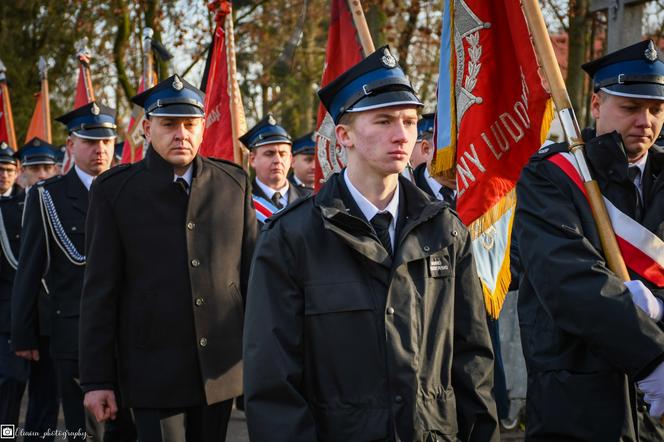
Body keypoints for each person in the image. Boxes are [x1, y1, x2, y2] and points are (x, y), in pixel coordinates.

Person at [243, 46, 499, 441]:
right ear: (343, 135)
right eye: (383, 121)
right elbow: (274, 380)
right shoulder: (293, 238)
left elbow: (472, 362)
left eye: (410, 121)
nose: (401, 135)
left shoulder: (445, 231)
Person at [79, 74, 257, 442]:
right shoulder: (115, 191)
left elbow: (252, 280)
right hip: (151, 370)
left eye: (190, 124)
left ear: (202, 128)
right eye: (168, 124)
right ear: (147, 128)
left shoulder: (233, 183)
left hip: (220, 371)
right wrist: (97, 379)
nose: (181, 134)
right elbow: (100, 291)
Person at [515, 39, 664, 440]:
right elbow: (568, 279)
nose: (645, 121)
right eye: (630, 108)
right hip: (578, 399)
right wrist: (653, 359)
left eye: (656, 109)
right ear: (597, 105)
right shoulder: (550, 177)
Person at [11, 102, 133, 441]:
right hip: (73, 331)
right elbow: (30, 268)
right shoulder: (47, 196)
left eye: (107, 142)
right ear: (70, 146)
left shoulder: (130, 189)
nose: (100, 150)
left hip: (130, 331)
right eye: (91, 142)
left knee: (128, 428)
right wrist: (24, 333)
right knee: (86, 429)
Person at [8, 139, 60, 442]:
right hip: (12, 321)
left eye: (47, 167)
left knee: (46, 399)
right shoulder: (9, 209)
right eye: (34, 168)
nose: (41, 174)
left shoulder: (63, 206)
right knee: (9, 390)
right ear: (21, 172)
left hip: (51, 318)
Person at [240, 114, 309, 218]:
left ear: (290, 159)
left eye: (282, 154)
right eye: (269, 154)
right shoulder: (241, 201)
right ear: (252, 159)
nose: (278, 160)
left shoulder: (309, 199)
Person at [411, 113, 457, 208]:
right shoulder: (405, 190)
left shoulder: (479, 192)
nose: (460, 164)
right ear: (426, 149)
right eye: (448, 154)